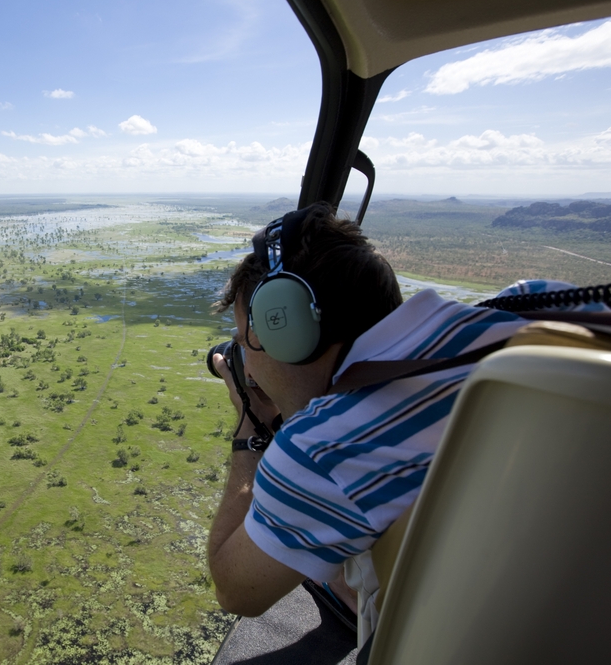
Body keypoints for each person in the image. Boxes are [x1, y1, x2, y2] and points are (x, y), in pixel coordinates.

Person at [207, 202, 545, 645]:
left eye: (246, 340)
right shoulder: (532, 307)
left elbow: (236, 591)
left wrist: (249, 429)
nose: (246, 368)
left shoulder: (325, 447)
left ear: (287, 330)